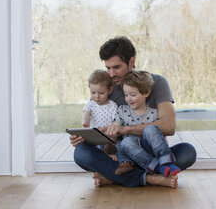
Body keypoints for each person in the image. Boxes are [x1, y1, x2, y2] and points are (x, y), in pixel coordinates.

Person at [70, 36, 196, 188]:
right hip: (119, 156)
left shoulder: (157, 82)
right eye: (107, 68)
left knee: (187, 151)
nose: (111, 74)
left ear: (131, 62)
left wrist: (126, 129)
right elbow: (100, 130)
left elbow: (169, 126)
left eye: (116, 67)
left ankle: (114, 177)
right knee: (81, 153)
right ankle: (150, 178)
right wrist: (84, 138)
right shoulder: (105, 88)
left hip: (149, 150)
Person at [113, 70, 181, 178]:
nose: (128, 98)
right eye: (126, 95)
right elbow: (115, 125)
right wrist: (113, 129)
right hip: (131, 152)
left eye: (133, 94)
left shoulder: (153, 113)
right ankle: (157, 168)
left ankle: (167, 162)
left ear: (146, 93)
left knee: (151, 129)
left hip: (149, 149)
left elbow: (159, 136)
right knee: (125, 142)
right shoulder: (122, 110)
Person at [82, 69, 117, 156]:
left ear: (110, 90)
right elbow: (86, 114)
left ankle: (109, 152)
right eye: (93, 93)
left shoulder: (112, 105)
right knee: (87, 147)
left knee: (111, 146)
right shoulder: (90, 105)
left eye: (101, 93)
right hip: (94, 137)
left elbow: (115, 122)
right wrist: (85, 123)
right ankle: (105, 154)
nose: (97, 97)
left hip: (107, 137)